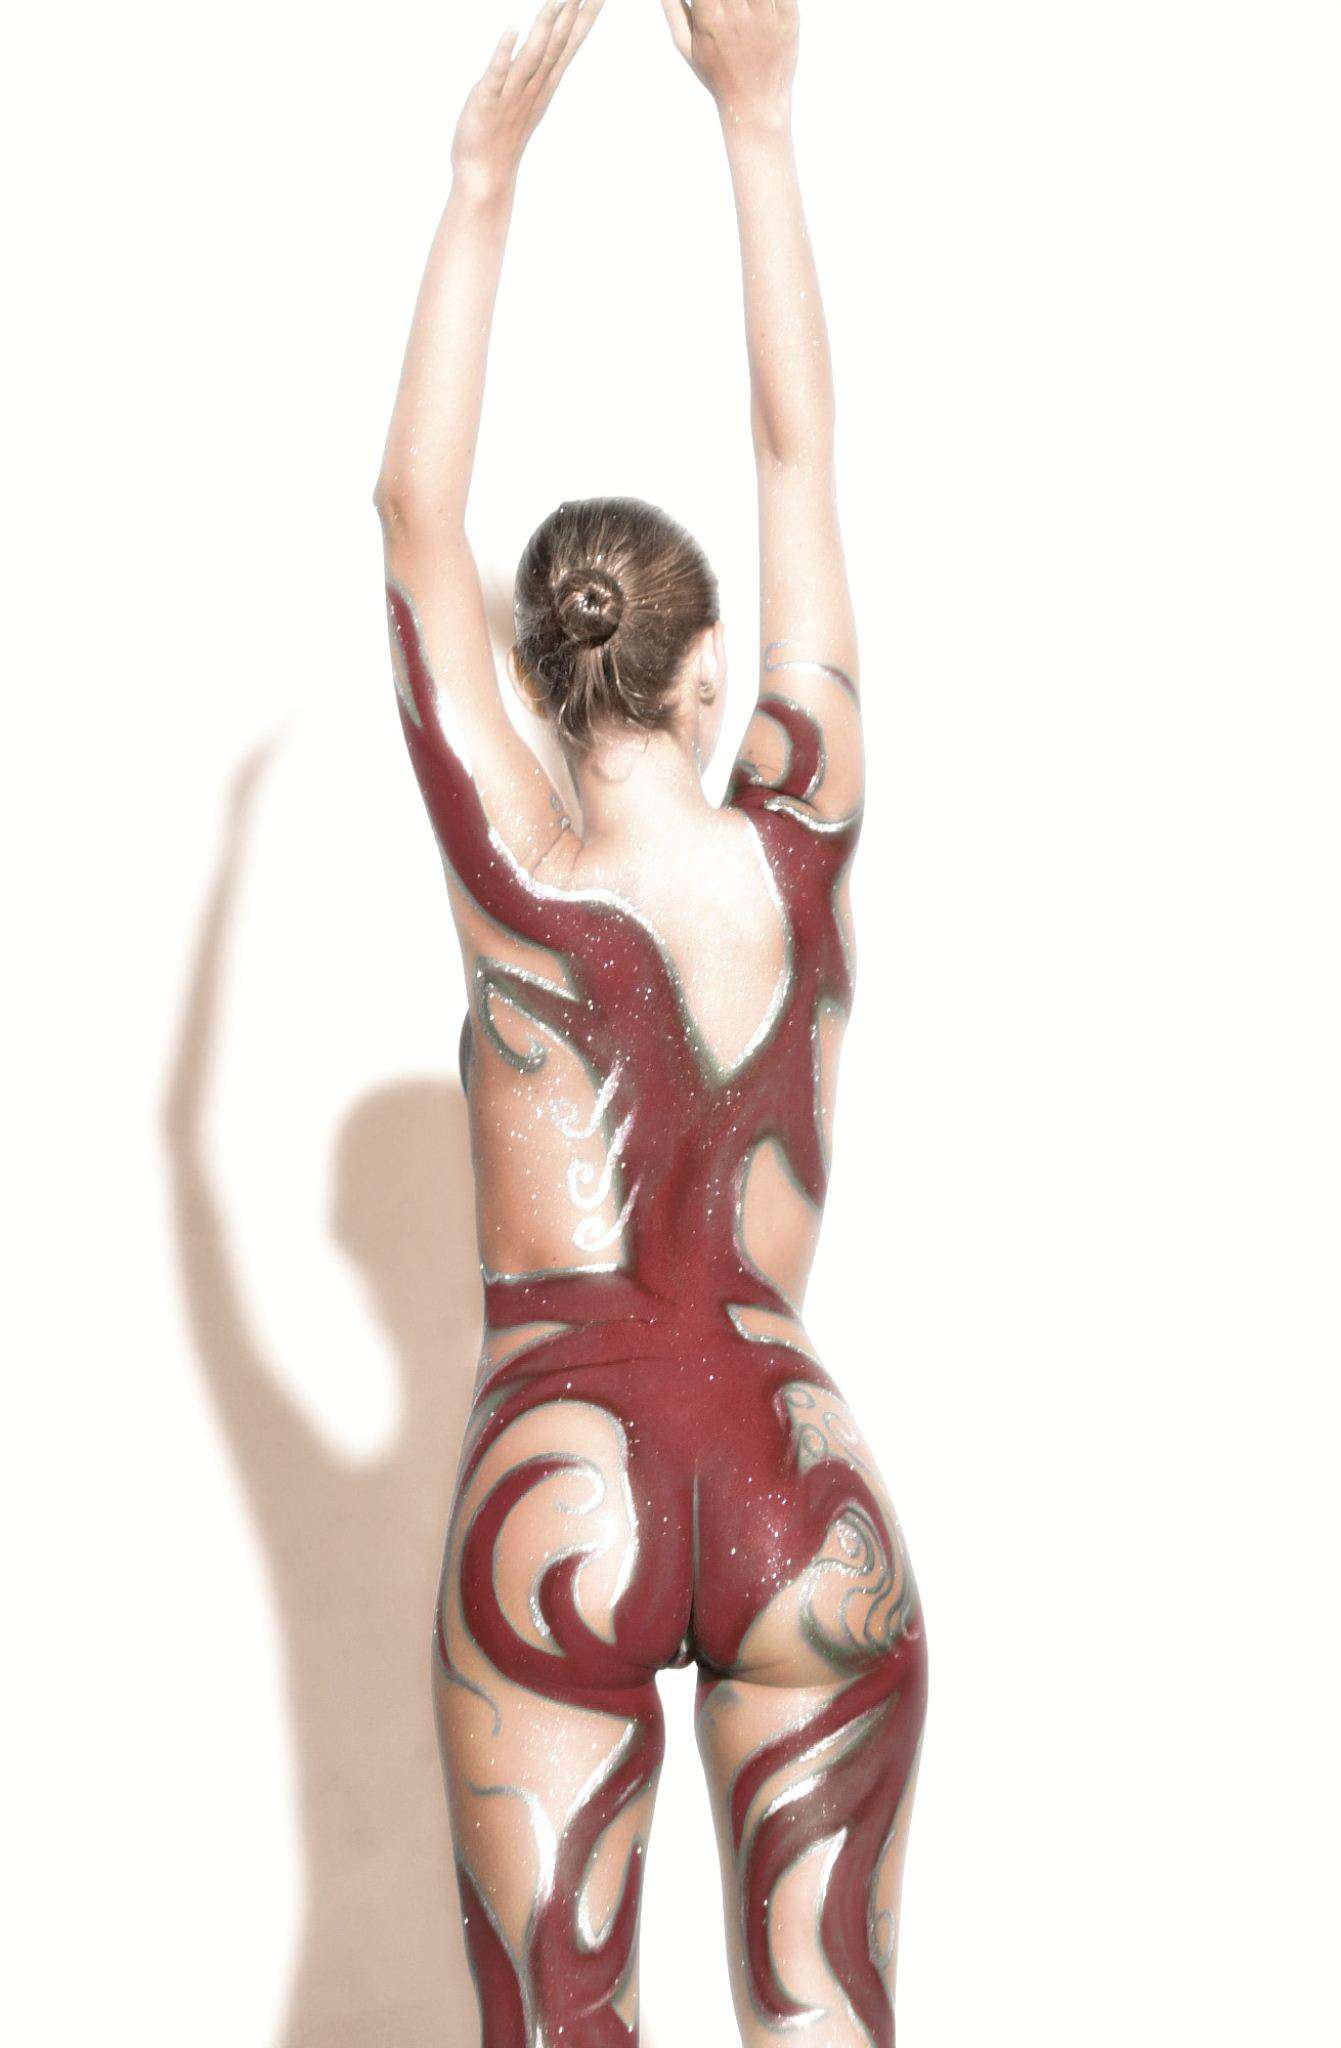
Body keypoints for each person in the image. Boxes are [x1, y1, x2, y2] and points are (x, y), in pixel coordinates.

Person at [373, 3, 928, 2043]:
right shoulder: (804, 823)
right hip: (796, 1475)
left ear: (542, 681)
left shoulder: (512, 870)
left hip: (561, 1477)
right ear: (709, 683)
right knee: (827, 2016)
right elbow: (801, 455)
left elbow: (412, 515)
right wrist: (758, 123)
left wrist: (482, 177)